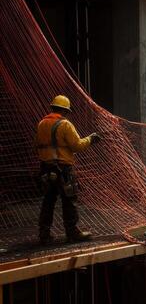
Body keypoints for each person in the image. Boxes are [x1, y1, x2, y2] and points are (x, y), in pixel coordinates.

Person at [36, 95, 101, 245]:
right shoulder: (65, 124)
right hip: (63, 168)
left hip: (46, 168)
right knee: (69, 201)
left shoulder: (41, 124)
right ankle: (72, 233)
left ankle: (44, 234)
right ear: (65, 110)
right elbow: (77, 145)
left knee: (48, 201)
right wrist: (91, 139)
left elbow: (37, 144)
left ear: (53, 108)